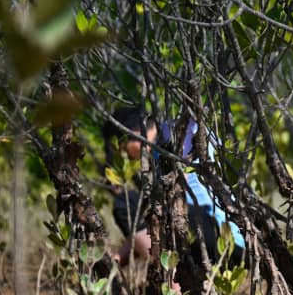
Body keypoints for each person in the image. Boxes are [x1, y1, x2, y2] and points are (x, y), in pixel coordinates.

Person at [103, 108, 244, 267]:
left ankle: (171, 286)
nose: (124, 154)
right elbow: (146, 231)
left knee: (126, 202)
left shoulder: (174, 134)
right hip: (228, 239)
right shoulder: (166, 138)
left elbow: (151, 222)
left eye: (121, 146)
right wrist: (117, 259)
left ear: (132, 133)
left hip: (220, 233)